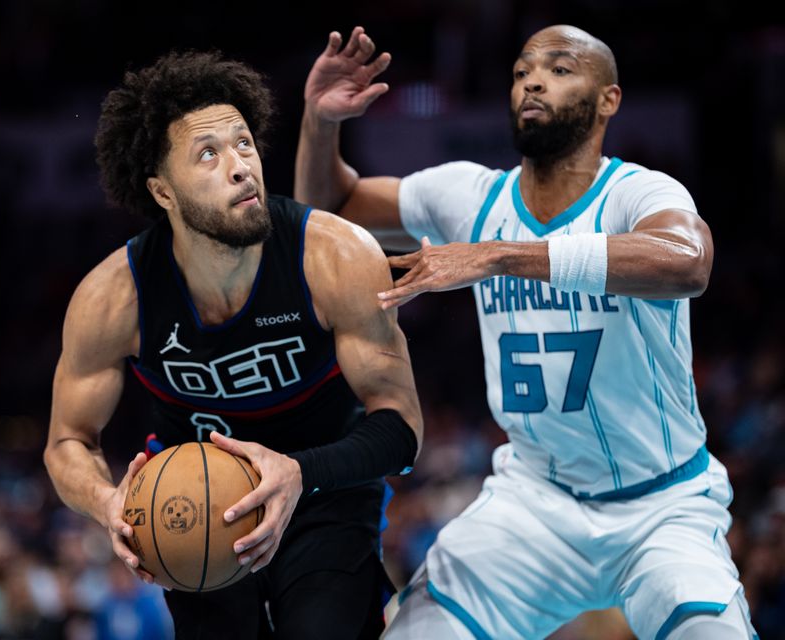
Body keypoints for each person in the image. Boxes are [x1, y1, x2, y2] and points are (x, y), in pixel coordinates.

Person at [295, 25, 758, 640]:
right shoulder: (469, 193)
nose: (533, 80)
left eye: (560, 69)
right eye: (520, 72)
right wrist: (320, 121)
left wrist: (502, 257)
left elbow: (688, 262)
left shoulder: (637, 192)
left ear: (609, 100)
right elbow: (330, 211)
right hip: (534, 502)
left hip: (661, 505)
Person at [44, 50, 423, 640]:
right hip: (194, 509)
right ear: (162, 191)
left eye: (243, 143)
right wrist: (106, 501)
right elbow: (66, 441)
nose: (241, 166)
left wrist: (298, 471)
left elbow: (402, 430)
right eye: (208, 154)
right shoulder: (111, 298)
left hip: (322, 491)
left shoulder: (337, 256)